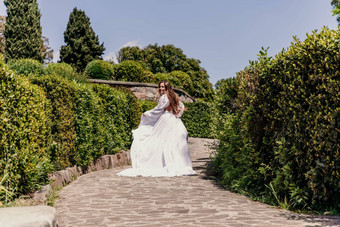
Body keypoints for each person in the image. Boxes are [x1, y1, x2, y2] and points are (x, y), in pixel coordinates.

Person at [117, 80, 196, 177]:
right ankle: (176, 164)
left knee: (159, 141)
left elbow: (158, 110)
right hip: (175, 121)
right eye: (160, 87)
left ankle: (160, 164)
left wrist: (146, 114)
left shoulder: (164, 97)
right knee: (173, 143)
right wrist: (176, 114)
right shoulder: (174, 96)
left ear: (167, 87)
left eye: (163, 87)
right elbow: (181, 106)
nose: (161, 88)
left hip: (166, 120)